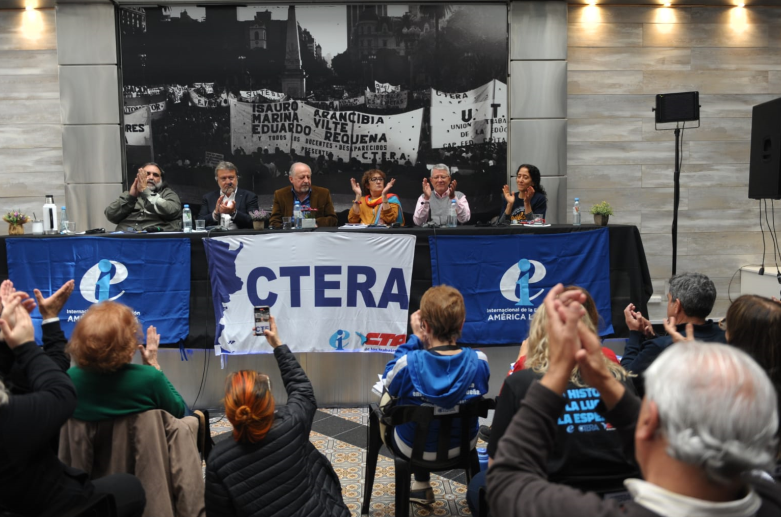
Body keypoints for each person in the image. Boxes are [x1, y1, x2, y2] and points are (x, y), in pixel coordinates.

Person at [487, 284, 781, 517]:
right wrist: (606, 381)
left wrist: (558, 371)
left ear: (650, 420)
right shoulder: (769, 498)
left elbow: (504, 481)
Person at [468, 293, 638, 515]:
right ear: (588, 330)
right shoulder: (619, 380)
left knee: (477, 485)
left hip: (549, 505)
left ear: (539, 332)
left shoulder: (521, 383)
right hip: (621, 504)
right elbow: (646, 446)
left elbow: (498, 469)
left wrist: (521, 363)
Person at [0, 290, 146, 517]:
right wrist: (25, 345)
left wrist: (47, 320)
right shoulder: (149, 379)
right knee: (131, 489)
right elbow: (60, 392)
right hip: (59, 504)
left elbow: (52, 372)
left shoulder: (71, 379)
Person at [205, 316, 350, 517]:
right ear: (268, 403)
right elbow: (302, 390)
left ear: (230, 412)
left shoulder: (218, 460)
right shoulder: (291, 425)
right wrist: (277, 344)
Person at [382, 285, 490, 505]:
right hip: (463, 445)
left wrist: (415, 339)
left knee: (392, 407)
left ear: (425, 325)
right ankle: (423, 486)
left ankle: (421, 484)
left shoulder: (407, 364)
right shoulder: (480, 362)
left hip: (411, 447)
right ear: (461, 324)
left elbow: (387, 383)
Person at [66, 301, 188, 421]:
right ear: (127, 345)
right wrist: (154, 365)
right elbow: (178, 411)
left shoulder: (70, 378)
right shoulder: (149, 378)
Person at [621, 272, 726, 394]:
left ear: (677, 306)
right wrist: (653, 337)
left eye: (669, 300)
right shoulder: (725, 336)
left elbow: (626, 379)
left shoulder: (659, 348)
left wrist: (634, 333)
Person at [105, 162, 183, 232]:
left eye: (155, 175)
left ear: (161, 180)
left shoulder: (167, 194)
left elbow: (172, 211)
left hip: (154, 238)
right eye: (147, 174)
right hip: (125, 237)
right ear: (139, 177)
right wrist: (131, 197)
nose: (151, 177)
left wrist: (145, 192)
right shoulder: (129, 195)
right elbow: (111, 215)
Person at [269, 162, 337, 228]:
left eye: (308, 177)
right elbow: (274, 221)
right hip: (290, 233)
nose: (306, 181)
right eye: (302, 177)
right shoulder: (280, 195)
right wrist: (287, 227)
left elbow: (333, 219)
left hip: (314, 233)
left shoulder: (323, 193)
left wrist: (314, 223)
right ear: (291, 179)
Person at [199, 161, 259, 229]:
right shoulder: (208, 198)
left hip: (239, 235)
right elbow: (199, 223)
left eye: (231, 178)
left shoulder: (249, 196)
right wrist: (215, 213)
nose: (228, 182)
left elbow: (255, 222)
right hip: (216, 235)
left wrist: (234, 213)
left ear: (237, 178)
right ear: (217, 180)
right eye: (223, 178)